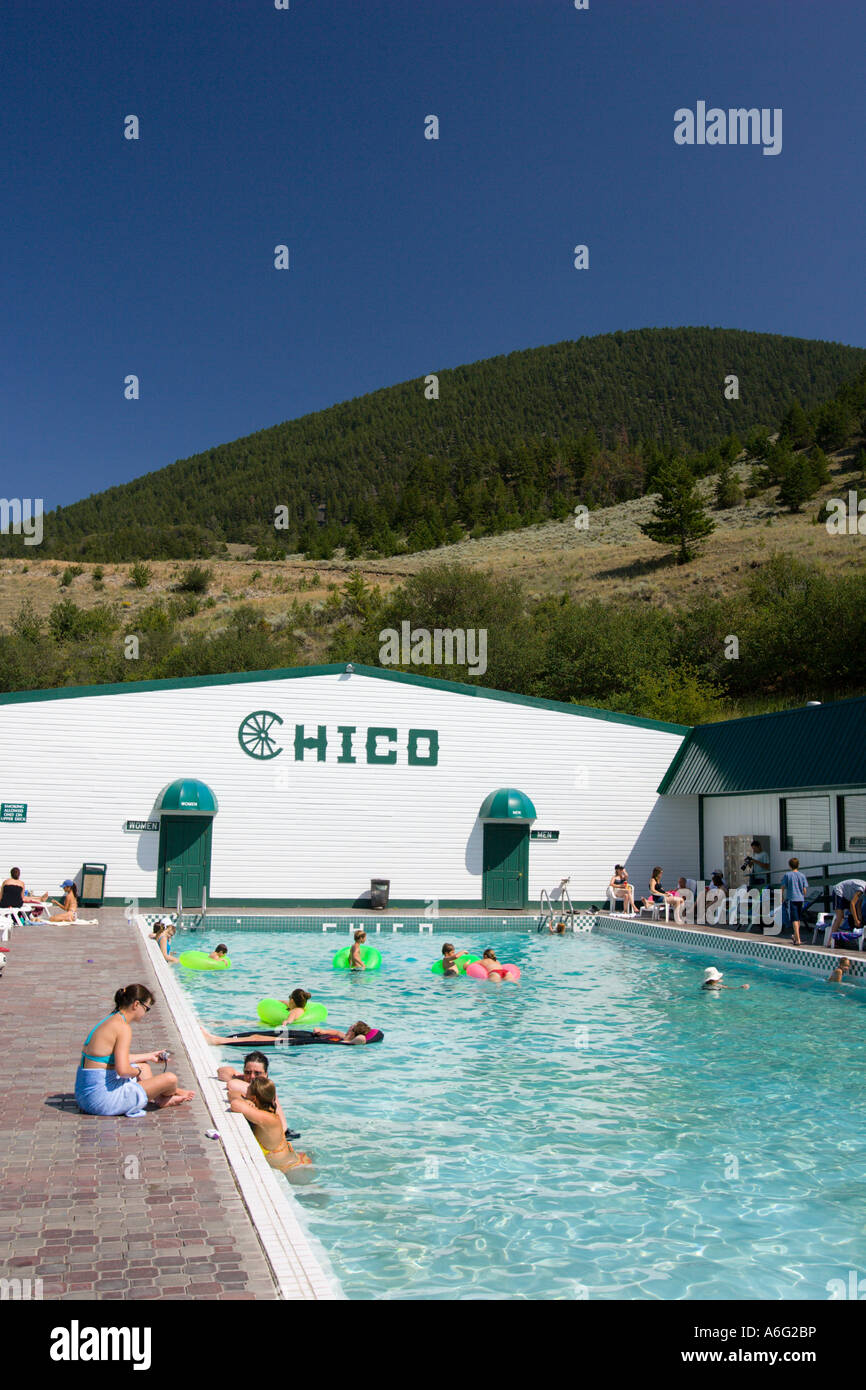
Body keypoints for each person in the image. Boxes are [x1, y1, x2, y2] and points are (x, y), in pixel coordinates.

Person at [75, 983, 194, 1115]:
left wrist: (150, 1056)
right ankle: (165, 1095)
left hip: (85, 1095)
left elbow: (110, 1058)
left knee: (144, 1067)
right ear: (136, 1004)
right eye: (147, 1009)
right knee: (170, 1079)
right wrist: (137, 1072)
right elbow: (124, 1070)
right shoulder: (123, 1028)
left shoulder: (110, 1020)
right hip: (101, 1101)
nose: (145, 1013)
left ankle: (160, 1097)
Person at [229, 1077, 311, 1172]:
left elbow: (235, 1104)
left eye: (247, 1092)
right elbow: (231, 1094)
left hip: (292, 1167)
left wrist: (244, 1102)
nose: (244, 1094)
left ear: (254, 1098)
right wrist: (246, 1101)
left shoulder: (269, 1119)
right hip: (288, 1161)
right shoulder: (263, 1112)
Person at [217, 1052, 301, 1139]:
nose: (252, 1077)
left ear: (266, 1075)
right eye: (248, 1072)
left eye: (257, 1073)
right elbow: (222, 1072)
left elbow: (232, 1084)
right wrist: (241, 1077)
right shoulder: (246, 1082)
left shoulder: (267, 1092)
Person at [202, 1020, 384, 1047]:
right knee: (267, 1033)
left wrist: (360, 1035)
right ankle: (223, 1038)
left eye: (351, 1028)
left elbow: (363, 1039)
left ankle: (217, 1041)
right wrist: (320, 1030)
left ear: (354, 1032)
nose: (347, 1028)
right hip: (308, 1036)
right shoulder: (340, 1034)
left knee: (261, 1039)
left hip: (303, 1043)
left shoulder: (348, 1042)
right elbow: (325, 1030)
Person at [780, 857, 809, 947]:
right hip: (800, 899)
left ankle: (798, 939)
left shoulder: (787, 875)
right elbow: (805, 890)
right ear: (798, 865)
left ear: (789, 866)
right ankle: (795, 936)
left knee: (794, 919)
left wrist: (782, 896)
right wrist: (803, 895)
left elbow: (782, 887)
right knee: (798, 919)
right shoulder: (802, 875)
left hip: (792, 899)